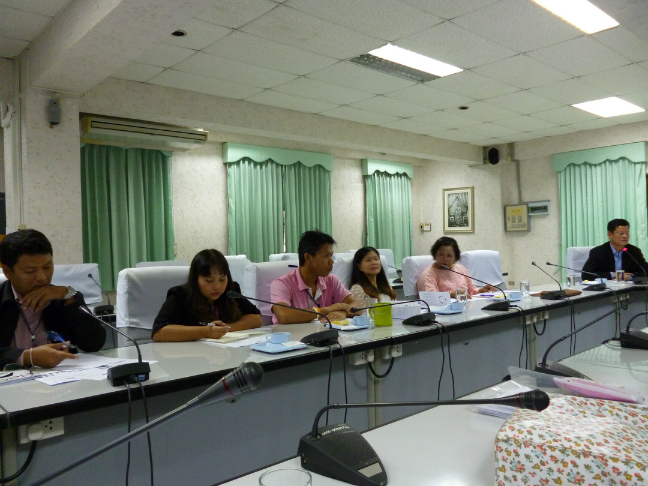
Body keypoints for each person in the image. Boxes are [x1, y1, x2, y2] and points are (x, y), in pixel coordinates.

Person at [0, 229, 106, 370]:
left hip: (62, 377)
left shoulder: (62, 297)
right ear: (7, 272)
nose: (42, 277)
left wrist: (70, 297)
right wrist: (27, 357)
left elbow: (94, 344)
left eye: (47, 267)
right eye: (30, 271)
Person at [152, 249, 261, 341]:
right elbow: (158, 332)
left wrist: (224, 329)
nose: (217, 286)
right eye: (209, 281)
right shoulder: (181, 295)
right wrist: (205, 332)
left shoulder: (230, 292)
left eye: (222, 279)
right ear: (196, 279)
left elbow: (256, 318)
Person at [270, 230, 357, 324]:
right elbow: (283, 316)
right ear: (308, 258)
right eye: (326, 256)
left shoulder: (331, 280)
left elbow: (357, 305)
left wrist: (343, 313)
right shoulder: (282, 284)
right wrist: (326, 310)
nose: (331, 261)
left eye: (331, 256)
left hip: (322, 332)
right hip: (292, 333)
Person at [417, 237, 497, 298]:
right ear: (435, 255)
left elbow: (471, 291)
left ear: (455, 257)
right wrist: (452, 294)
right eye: (441, 255)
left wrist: (481, 290)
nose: (445, 259)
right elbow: (431, 298)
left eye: (449, 256)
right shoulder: (428, 275)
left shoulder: (461, 269)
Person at [581, 218, 648, 281]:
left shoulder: (634, 251)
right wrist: (613, 275)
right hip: (607, 288)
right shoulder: (598, 252)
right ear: (609, 234)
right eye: (621, 233)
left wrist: (630, 277)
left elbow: (646, 271)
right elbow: (586, 275)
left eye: (627, 233)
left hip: (630, 288)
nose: (625, 236)